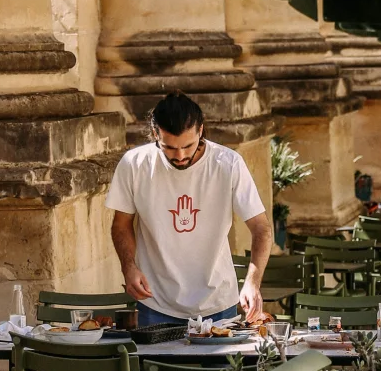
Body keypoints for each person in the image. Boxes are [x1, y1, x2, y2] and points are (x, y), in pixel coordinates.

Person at [107, 91, 271, 326]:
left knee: (224, 365)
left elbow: (261, 228)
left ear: (201, 130)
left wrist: (253, 282)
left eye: (188, 146)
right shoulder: (134, 164)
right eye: (170, 148)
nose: (181, 156)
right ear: (155, 134)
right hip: (154, 300)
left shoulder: (229, 163)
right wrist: (128, 267)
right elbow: (121, 225)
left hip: (218, 302)